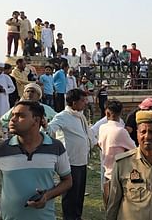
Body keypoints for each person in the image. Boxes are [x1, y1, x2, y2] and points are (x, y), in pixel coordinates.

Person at [0, 101, 72, 219]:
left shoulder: (56, 147)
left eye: (20, 116)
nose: (12, 120)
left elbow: (67, 181)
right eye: (13, 115)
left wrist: (47, 196)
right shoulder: (0, 149)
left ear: (36, 120)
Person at [45, 89, 96, 220]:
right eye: (82, 101)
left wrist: (96, 143)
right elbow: (50, 129)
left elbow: (88, 134)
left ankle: (77, 216)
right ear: (74, 103)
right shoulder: (63, 116)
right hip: (70, 162)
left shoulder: (80, 115)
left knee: (79, 193)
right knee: (70, 194)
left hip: (82, 160)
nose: (85, 103)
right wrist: (45, 126)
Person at [98, 100, 136, 207]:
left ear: (107, 113)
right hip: (119, 174)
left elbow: (99, 145)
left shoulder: (102, 128)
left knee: (109, 207)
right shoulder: (120, 131)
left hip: (107, 172)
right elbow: (134, 149)